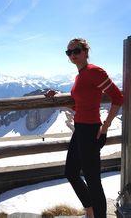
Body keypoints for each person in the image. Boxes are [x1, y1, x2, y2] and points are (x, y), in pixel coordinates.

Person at [45, 38, 123, 218]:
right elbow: (81, 104)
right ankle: (91, 211)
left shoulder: (94, 71)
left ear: (86, 52)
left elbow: (117, 97)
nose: (72, 55)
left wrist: (105, 126)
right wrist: (57, 96)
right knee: (71, 173)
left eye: (76, 50)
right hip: (80, 129)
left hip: (90, 131)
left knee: (93, 180)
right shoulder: (80, 75)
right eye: (69, 52)